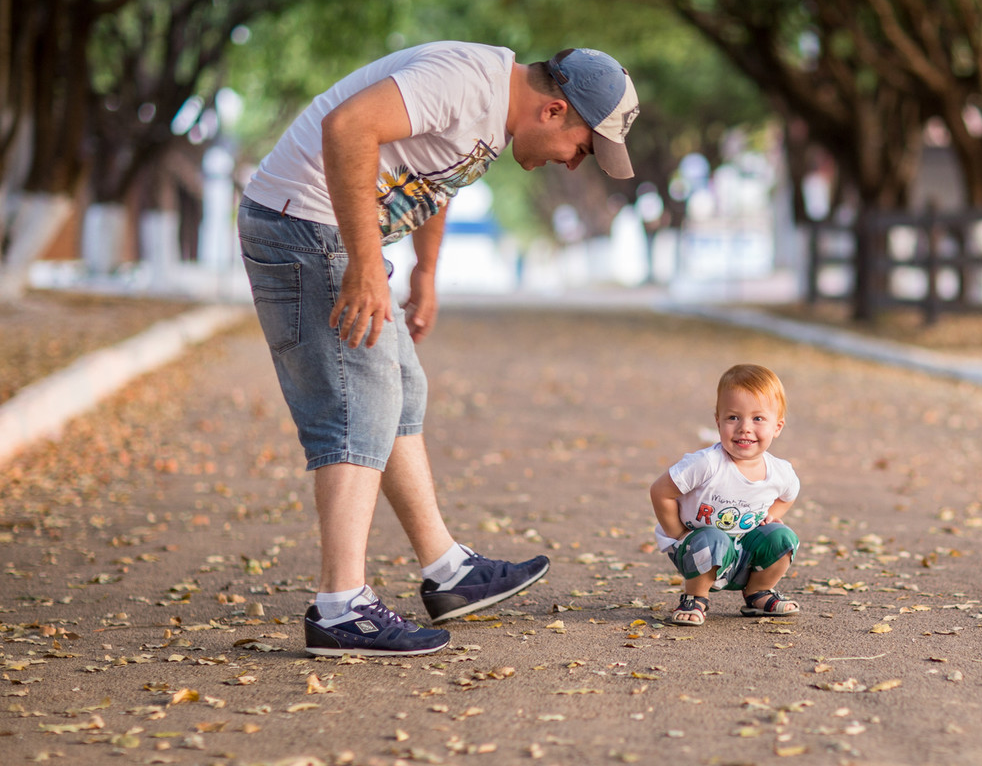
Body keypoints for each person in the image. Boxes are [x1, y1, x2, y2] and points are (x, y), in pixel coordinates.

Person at [236, 41, 640, 657]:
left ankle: (448, 572)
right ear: (554, 110)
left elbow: (435, 174)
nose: (576, 163)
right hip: (303, 226)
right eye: (584, 147)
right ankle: (339, 607)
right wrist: (368, 266)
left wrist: (425, 269)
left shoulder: (494, 118)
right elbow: (347, 127)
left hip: (333, 232)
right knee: (355, 404)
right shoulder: (468, 83)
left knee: (400, 388)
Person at [649, 364, 801, 626]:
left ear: (777, 426)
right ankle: (695, 596)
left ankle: (758, 592)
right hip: (698, 548)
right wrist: (678, 535)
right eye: (733, 418)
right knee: (714, 538)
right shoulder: (706, 464)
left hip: (745, 551)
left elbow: (789, 495)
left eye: (758, 418)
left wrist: (771, 516)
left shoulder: (780, 472)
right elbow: (661, 491)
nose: (744, 428)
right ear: (718, 422)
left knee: (784, 537)